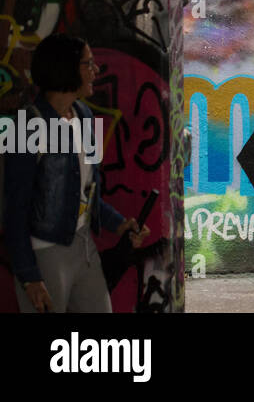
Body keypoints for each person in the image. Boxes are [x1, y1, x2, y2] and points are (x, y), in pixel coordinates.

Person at [4, 33, 148, 312]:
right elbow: (14, 210)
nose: (96, 71)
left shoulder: (85, 115)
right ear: (65, 68)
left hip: (83, 245)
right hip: (43, 253)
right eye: (88, 64)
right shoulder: (26, 125)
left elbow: (89, 191)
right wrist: (29, 276)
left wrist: (120, 223)